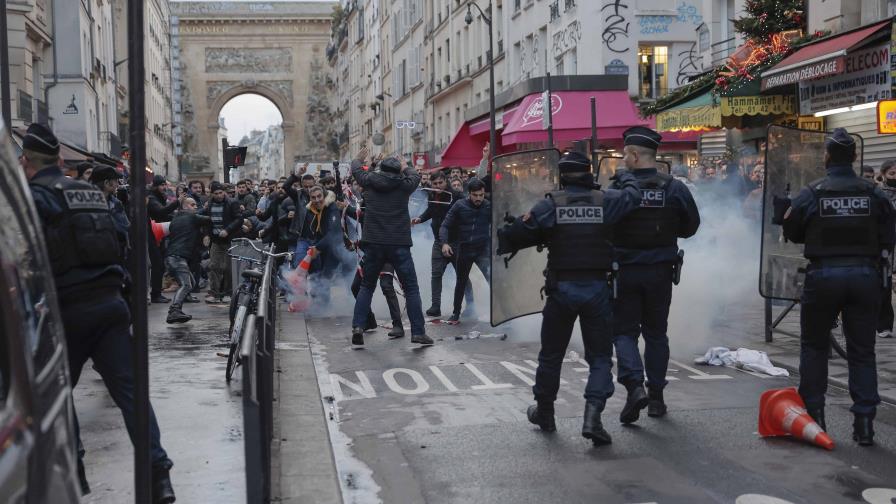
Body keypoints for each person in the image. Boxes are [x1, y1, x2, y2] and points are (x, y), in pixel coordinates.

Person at [22, 123, 176, 502]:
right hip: (110, 305)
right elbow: (121, 239)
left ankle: (74, 473)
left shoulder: (34, 198)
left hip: (65, 311)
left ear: (26, 162)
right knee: (132, 395)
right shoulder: (89, 194)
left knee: (55, 396)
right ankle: (159, 476)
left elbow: (24, 258)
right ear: (60, 161)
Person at [496, 151, 642, 445]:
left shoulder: (551, 205)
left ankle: (545, 413)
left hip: (561, 290)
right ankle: (592, 417)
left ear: (561, 176)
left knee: (551, 355)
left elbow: (520, 232)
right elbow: (633, 197)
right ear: (588, 172)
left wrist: (509, 229)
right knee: (600, 357)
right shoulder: (606, 201)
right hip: (597, 290)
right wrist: (625, 174)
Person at [777, 128, 895, 446]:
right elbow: (888, 235)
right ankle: (865, 424)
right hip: (865, 277)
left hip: (823, 276)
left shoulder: (813, 192)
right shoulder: (874, 193)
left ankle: (815, 417)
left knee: (814, 347)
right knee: (862, 351)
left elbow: (793, 232)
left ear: (827, 156)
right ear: (854, 157)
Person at [610, 127, 701, 425]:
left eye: (625, 155)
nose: (623, 160)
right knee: (656, 333)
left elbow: (604, 225)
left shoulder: (619, 187)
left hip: (625, 271)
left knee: (624, 332)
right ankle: (657, 398)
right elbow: (691, 226)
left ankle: (635, 386)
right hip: (660, 272)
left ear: (635, 156)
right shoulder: (674, 188)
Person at [350, 148, 433, 348]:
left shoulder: (369, 181)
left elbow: (357, 170)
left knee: (366, 286)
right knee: (411, 288)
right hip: (399, 243)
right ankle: (418, 332)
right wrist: (405, 166)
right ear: (398, 172)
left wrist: (360, 159)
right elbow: (415, 175)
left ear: (381, 169)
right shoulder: (405, 186)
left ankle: (358, 327)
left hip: (374, 243)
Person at [412, 171, 470, 317]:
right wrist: (420, 219)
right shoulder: (432, 195)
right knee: (436, 274)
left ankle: (471, 305)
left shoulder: (456, 196)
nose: (438, 186)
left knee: (462, 275)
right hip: (439, 241)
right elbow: (431, 211)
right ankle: (435, 306)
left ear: (446, 181)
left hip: (456, 242)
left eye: (440, 183)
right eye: (435, 183)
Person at [439, 178, 491, 322]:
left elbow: (499, 223)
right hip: (465, 249)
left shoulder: (488, 206)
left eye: (481, 195)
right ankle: (456, 312)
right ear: (469, 194)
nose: (478, 198)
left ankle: (501, 312)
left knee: (493, 280)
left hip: (483, 250)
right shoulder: (460, 205)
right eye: (475, 195)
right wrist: (444, 243)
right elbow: (445, 225)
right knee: (461, 282)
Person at [165, 197, 211, 323]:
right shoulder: (191, 217)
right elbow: (209, 219)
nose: (195, 207)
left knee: (190, 281)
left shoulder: (176, 218)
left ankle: (183, 299)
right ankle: (174, 311)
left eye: (196, 204)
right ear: (184, 207)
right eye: (192, 205)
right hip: (177, 257)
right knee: (186, 284)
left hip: (173, 257)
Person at [201, 181, 243, 303]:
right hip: (216, 240)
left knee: (228, 268)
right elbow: (207, 221)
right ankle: (215, 293)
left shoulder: (232, 202)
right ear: (212, 194)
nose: (219, 195)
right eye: (216, 193)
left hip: (229, 239)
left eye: (221, 192)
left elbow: (239, 219)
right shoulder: (209, 204)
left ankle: (227, 293)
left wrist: (227, 230)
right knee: (214, 266)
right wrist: (206, 235)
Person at [147, 175, 179, 303]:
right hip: (151, 235)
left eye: (165, 184)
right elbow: (161, 212)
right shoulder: (152, 198)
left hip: (158, 235)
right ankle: (155, 294)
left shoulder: (159, 198)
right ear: (155, 186)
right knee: (157, 264)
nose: (164, 187)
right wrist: (177, 202)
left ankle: (156, 293)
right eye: (162, 185)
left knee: (159, 265)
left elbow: (164, 215)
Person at [90, 166, 130, 259]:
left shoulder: (116, 203)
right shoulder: (88, 202)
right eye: (116, 181)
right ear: (106, 183)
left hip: (115, 254)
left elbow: (125, 227)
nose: (117, 185)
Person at [877, 160, 896, 339]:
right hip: (886, 247)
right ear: (883, 174)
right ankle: (884, 325)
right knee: (885, 286)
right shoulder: (878, 194)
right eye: (892, 174)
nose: (895, 177)